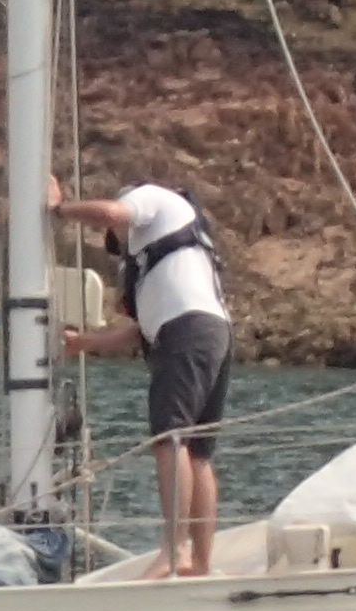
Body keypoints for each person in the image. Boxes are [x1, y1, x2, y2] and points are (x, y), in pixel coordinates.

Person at [53, 169, 231, 578]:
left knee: (170, 439)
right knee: (197, 454)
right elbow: (141, 332)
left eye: (116, 240)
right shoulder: (168, 268)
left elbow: (111, 213)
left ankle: (174, 551)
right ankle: (200, 562)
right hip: (212, 332)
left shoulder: (151, 197)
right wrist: (84, 343)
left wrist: (58, 210)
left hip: (187, 333)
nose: (118, 245)